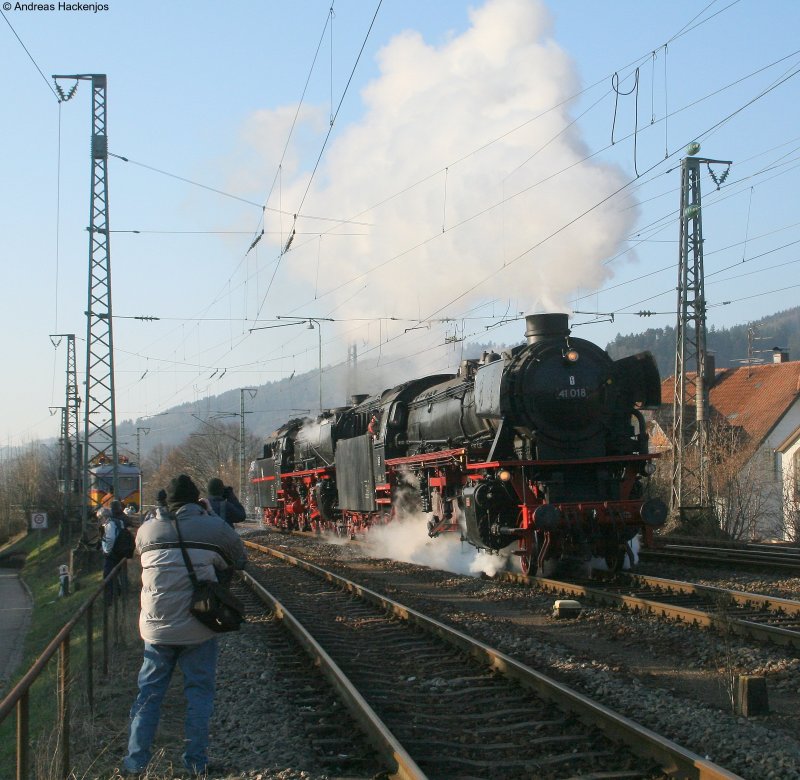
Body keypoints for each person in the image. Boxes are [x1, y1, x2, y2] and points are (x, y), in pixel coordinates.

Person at [122, 474, 247, 777]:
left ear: (167, 500)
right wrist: (208, 516)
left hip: (155, 627)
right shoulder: (212, 526)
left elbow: (139, 553)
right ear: (196, 499)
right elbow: (239, 560)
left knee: (148, 695)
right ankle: (195, 762)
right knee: (199, 694)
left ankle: (135, 763)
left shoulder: (148, 529)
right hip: (197, 626)